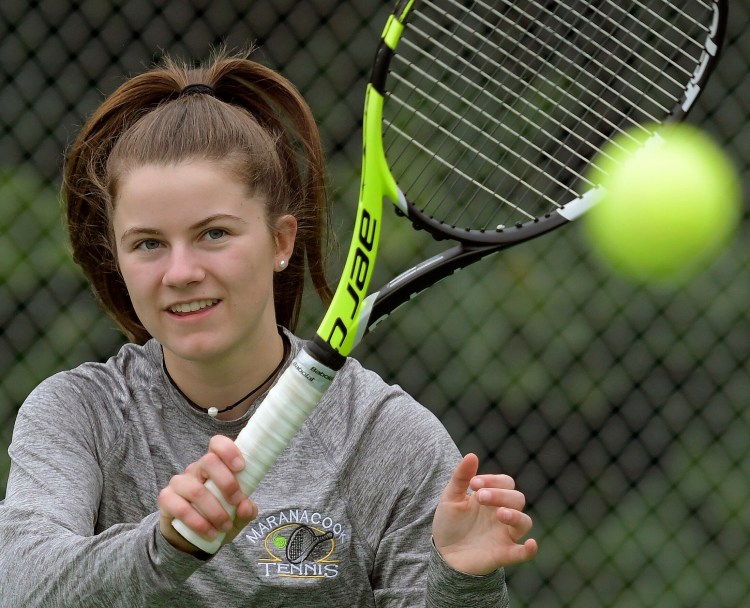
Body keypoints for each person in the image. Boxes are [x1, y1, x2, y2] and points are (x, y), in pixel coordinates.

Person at [0, 49, 537, 607]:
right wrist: (165, 547)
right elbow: (24, 588)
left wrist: (462, 584)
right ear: (116, 256)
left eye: (214, 234)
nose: (181, 272)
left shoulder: (387, 437)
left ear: (280, 241)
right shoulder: (77, 414)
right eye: (149, 243)